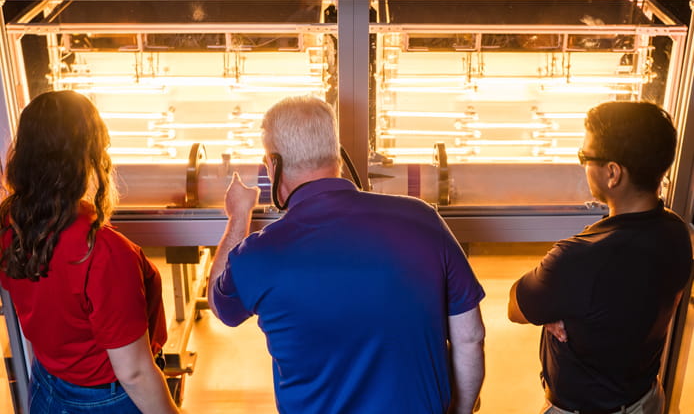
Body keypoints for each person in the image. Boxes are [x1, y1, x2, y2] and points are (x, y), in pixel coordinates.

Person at [207, 95, 486, 414]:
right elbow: (470, 337)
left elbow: (220, 306)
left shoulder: (256, 255)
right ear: (337, 157)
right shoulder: (422, 219)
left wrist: (238, 216)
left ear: (273, 165)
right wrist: (461, 410)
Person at [508, 100, 693, 414]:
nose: (582, 164)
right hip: (646, 399)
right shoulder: (678, 233)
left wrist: (558, 303)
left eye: (585, 156)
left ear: (613, 173)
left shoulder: (579, 258)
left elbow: (516, 307)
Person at [0, 91, 179, 414]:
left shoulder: (10, 222)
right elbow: (135, 372)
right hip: (107, 400)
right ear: (90, 156)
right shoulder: (103, 252)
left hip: (47, 386)